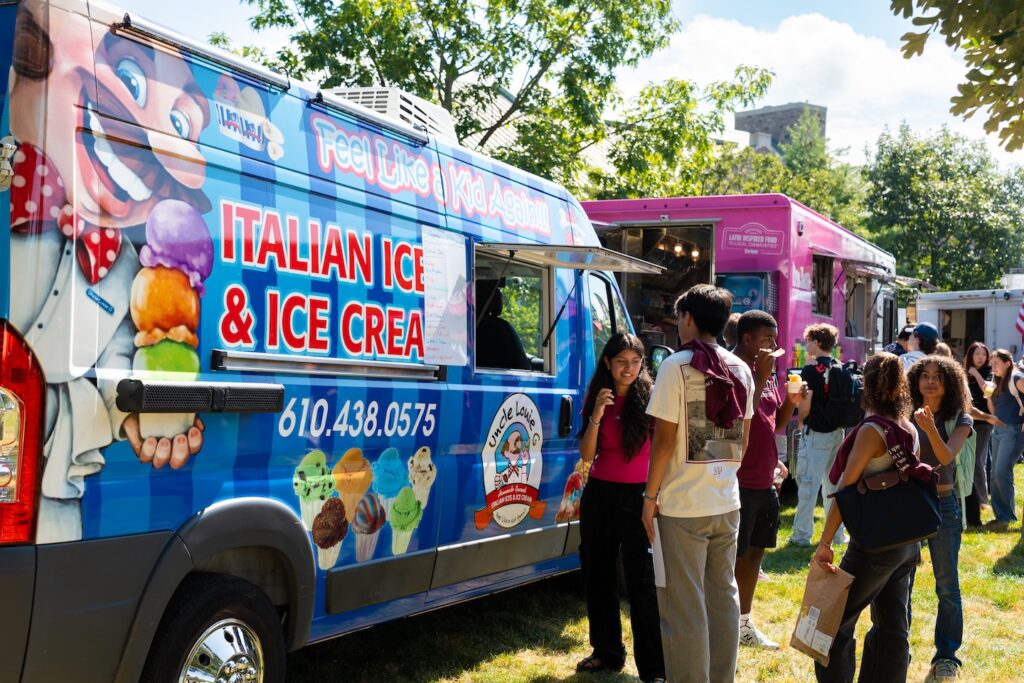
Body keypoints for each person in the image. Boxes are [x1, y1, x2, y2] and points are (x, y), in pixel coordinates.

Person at [642, 284, 755, 683]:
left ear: (688, 318)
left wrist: (649, 496)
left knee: (683, 605)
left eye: (679, 318)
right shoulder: (739, 367)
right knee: (723, 596)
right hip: (726, 499)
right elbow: (744, 434)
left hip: (682, 504)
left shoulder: (677, 365)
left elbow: (665, 439)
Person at [811, 353, 922, 682]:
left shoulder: (871, 431)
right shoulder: (908, 428)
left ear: (866, 385)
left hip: (874, 545)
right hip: (907, 542)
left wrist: (826, 541)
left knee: (832, 624)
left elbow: (844, 493)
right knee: (892, 625)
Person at [575, 333, 665, 683]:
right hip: (600, 495)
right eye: (621, 362)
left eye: (635, 361)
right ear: (608, 364)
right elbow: (586, 454)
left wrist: (654, 496)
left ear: (643, 363)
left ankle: (654, 668)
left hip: (640, 497)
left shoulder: (653, 398)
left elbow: (663, 450)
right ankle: (607, 652)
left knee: (641, 580)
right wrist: (597, 414)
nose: (628, 369)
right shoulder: (599, 396)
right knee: (598, 574)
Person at [732, 311, 803, 650]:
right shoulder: (732, 368)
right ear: (747, 339)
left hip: (765, 480)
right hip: (738, 480)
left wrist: (791, 402)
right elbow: (736, 420)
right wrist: (760, 378)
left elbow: (773, 425)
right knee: (733, 556)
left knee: (756, 553)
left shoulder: (769, 373)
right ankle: (726, 622)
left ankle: (744, 623)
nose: (775, 346)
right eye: (767, 339)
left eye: (776, 339)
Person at [907, 357, 974, 681]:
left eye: (938, 377)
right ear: (915, 381)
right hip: (907, 503)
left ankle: (946, 657)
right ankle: (896, 649)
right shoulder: (904, 413)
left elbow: (947, 455)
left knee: (947, 586)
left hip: (944, 503)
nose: (930, 382)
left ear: (950, 383)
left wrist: (930, 428)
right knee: (899, 581)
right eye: (925, 376)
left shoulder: (960, 416)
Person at [791, 324, 847, 547]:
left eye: (808, 341)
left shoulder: (810, 371)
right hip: (837, 433)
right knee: (833, 486)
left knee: (808, 485)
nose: (806, 345)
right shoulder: (840, 368)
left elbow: (806, 404)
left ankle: (801, 536)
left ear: (816, 341)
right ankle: (837, 535)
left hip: (816, 434)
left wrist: (802, 421)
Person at [987, 349, 1024, 528]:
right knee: (994, 475)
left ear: (1007, 363)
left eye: (996, 363)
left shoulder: (1016, 378)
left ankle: (1008, 516)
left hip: (1013, 431)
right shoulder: (998, 381)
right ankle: (1000, 515)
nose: (993, 367)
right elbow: (993, 410)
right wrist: (988, 396)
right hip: (998, 431)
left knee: (1002, 473)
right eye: (991, 363)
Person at [963, 342, 996, 526]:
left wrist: (975, 373)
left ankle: (983, 500)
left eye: (984, 354)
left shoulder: (988, 373)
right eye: (977, 354)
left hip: (983, 423)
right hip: (966, 423)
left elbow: (987, 391)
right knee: (967, 462)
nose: (981, 357)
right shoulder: (962, 374)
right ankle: (971, 498)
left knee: (977, 461)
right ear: (970, 355)